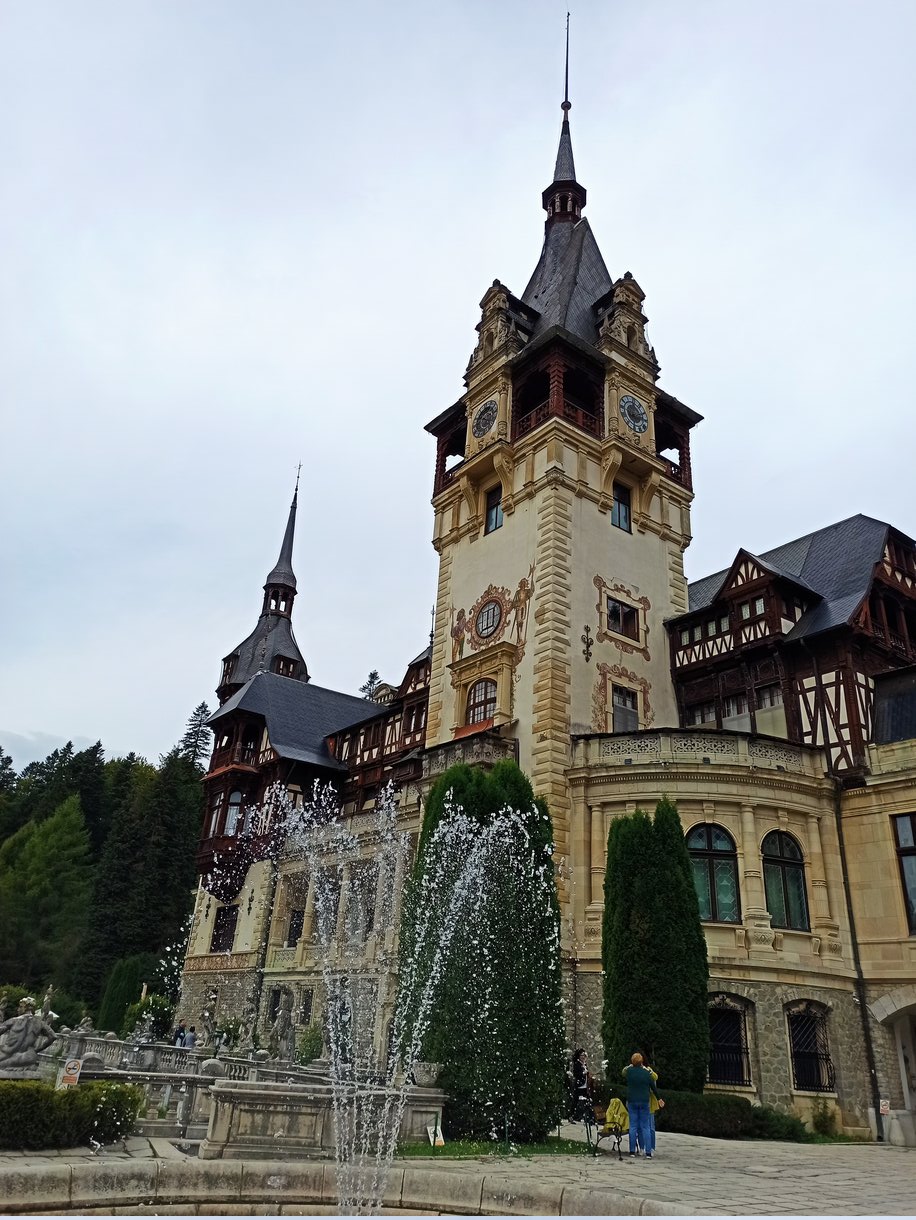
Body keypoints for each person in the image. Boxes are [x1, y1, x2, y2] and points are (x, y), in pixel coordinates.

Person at [622, 1052, 663, 1158]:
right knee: (646, 1127)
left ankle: (632, 1151)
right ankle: (648, 1152)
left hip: (632, 1101)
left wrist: (630, 1065)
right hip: (644, 1101)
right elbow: (653, 1087)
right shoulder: (646, 1073)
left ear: (632, 1062)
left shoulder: (629, 1072)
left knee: (633, 1126)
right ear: (642, 1062)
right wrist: (659, 1099)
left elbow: (623, 1072)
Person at [571, 1048, 593, 1121]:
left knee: (588, 1100)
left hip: (585, 1085)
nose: (583, 1057)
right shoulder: (577, 1064)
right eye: (582, 1055)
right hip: (579, 1085)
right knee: (575, 1101)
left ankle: (589, 1117)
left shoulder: (584, 1064)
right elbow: (576, 1074)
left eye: (584, 1055)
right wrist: (583, 1073)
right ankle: (572, 1115)